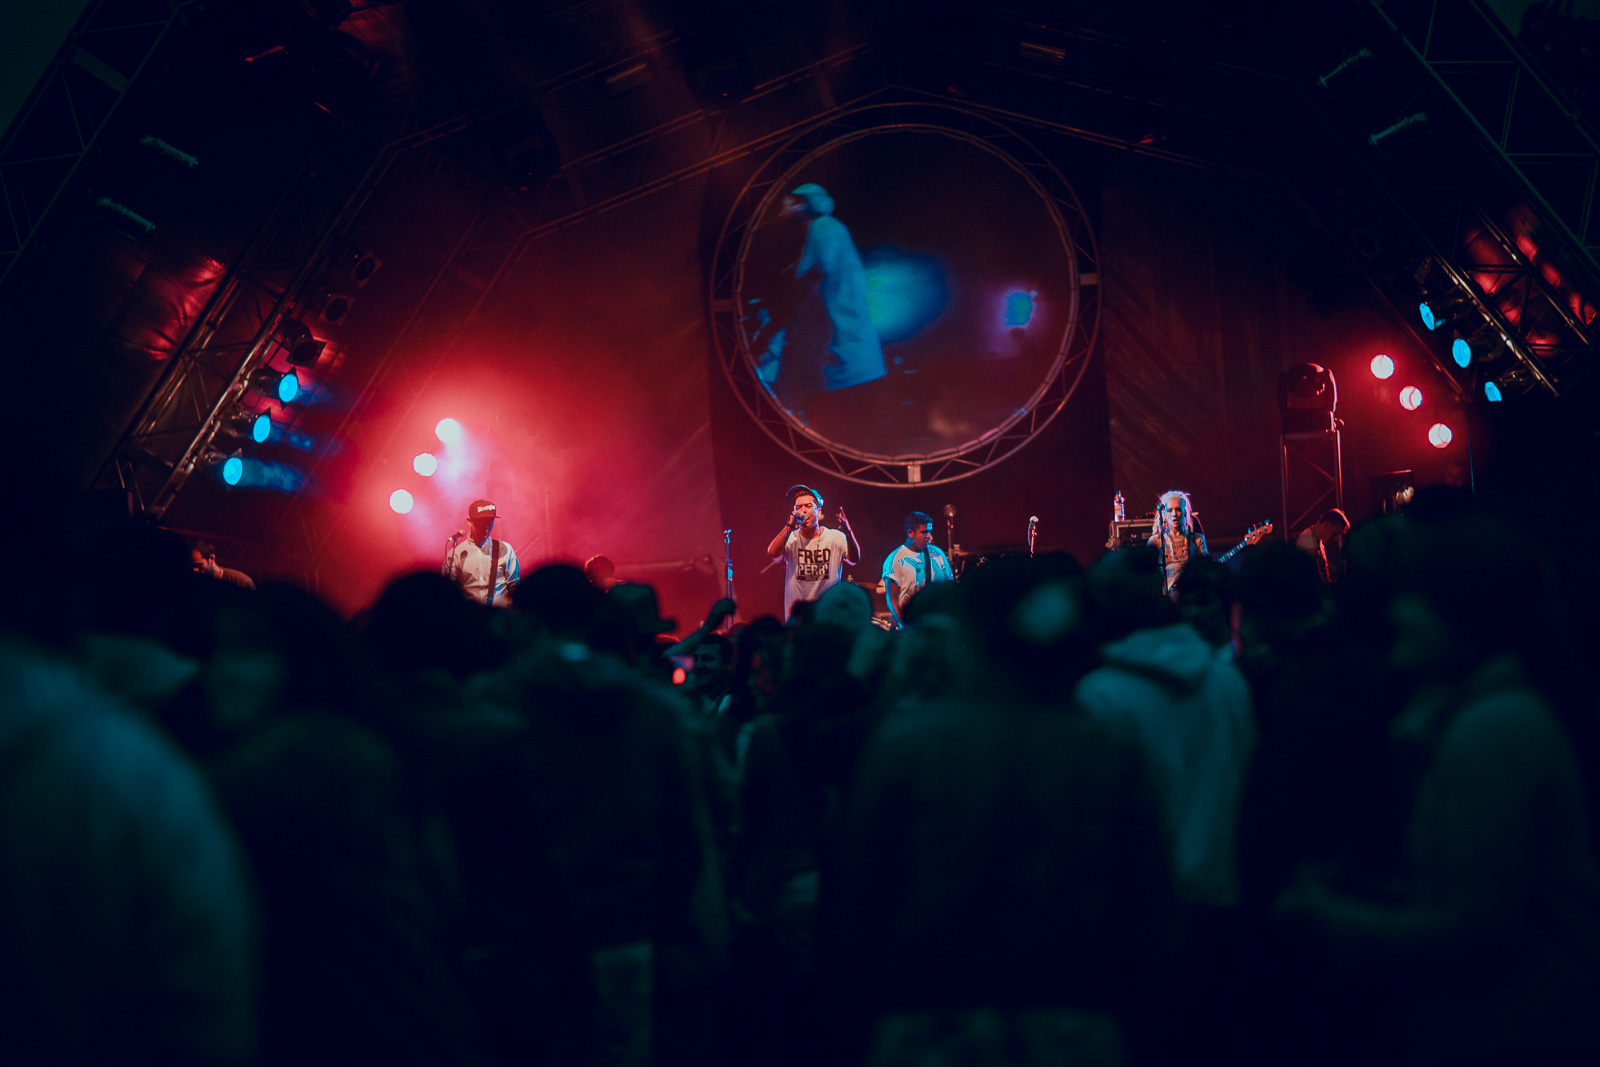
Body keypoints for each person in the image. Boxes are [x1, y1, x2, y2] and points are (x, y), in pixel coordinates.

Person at [752, 184, 886, 398]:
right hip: (848, 357)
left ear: (802, 204)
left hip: (840, 357)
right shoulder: (829, 228)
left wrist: (781, 322)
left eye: (789, 201)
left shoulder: (823, 228)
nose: (783, 205)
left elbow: (813, 276)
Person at [764, 484, 859, 621]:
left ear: (818, 511)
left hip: (828, 617)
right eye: (798, 507)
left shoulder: (834, 537)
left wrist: (849, 533)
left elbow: (854, 559)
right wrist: (789, 526)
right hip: (798, 619)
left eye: (808, 506)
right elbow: (772, 553)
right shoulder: (791, 538)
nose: (802, 510)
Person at [881, 511, 955, 629]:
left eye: (930, 531)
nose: (929, 536)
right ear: (910, 533)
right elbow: (892, 599)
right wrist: (907, 626)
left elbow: (951, 588)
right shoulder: (895, 559)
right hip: (912, 626)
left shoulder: (938, 554)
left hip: (940, 626)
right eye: (924, 532)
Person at [442, 499, 519, 606]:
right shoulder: (456, 553)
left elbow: (514, 586)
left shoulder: (505, 549)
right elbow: (447, 590)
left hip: (499, 613)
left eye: (490, 523)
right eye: (481, 523)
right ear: (469, 521)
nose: (486, 528)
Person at [1149, 489, 1207, 597]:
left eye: (1178, 509)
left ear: (1185, 512)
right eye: (1169, 510)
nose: (1174, 514)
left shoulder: (1197, 539)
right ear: (1164, 514)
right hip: (1163, 597)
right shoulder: (1156, 541)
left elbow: (1206, 570)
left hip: (1190, 596)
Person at [1293, 508, 1350, 584]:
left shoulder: (1317, 541)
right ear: (1326, 525)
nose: (1335, 538)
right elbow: (1313, 575)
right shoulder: (1308, 541)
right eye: (1334, 534)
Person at [188, 539, 256, 590]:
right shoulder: (194, 585)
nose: (195, 569)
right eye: (192, 566)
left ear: (211, 558)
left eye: (199, 565)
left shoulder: (241, 581)